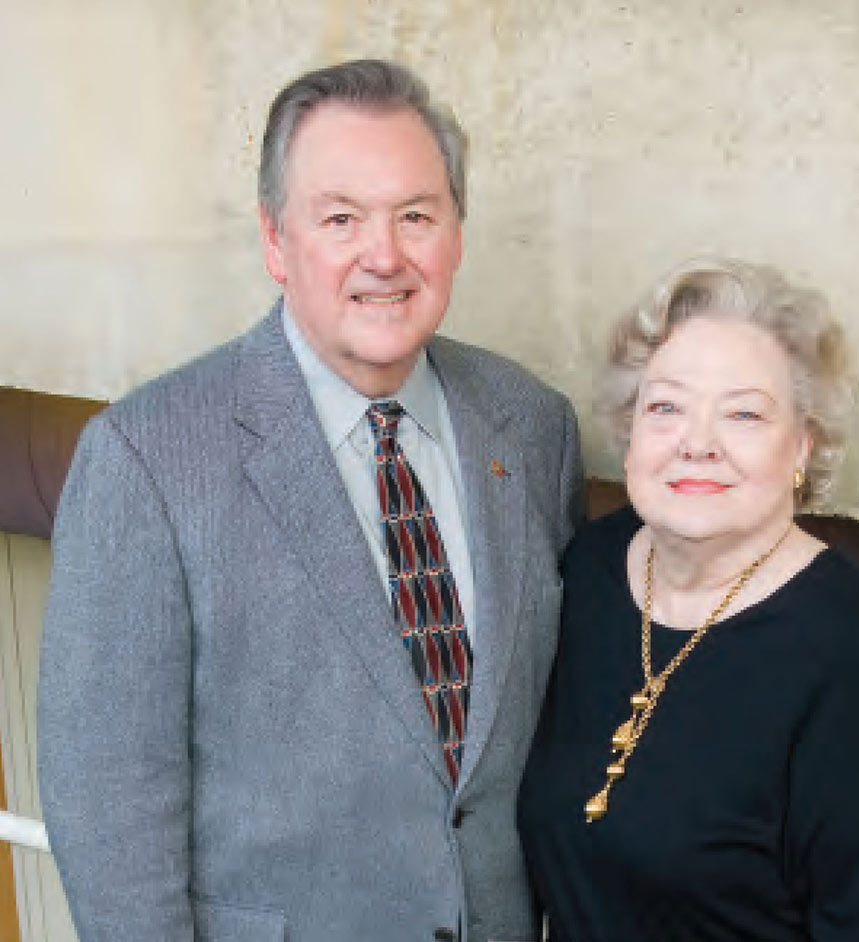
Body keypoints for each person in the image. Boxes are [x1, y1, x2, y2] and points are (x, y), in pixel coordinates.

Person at [38, 59, 583, 942]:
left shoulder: (532, 427)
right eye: (341, 218)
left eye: (416, 215)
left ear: (456, 232)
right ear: (275, 243)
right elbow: (108, 811)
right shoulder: (145, 459)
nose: (385, 255)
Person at [518, 258, 859, 940]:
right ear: (629, 429)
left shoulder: (857, 652)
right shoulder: (589, 570)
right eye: (666, 407)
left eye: (745, 414)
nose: (697, 444)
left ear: (802, 445)